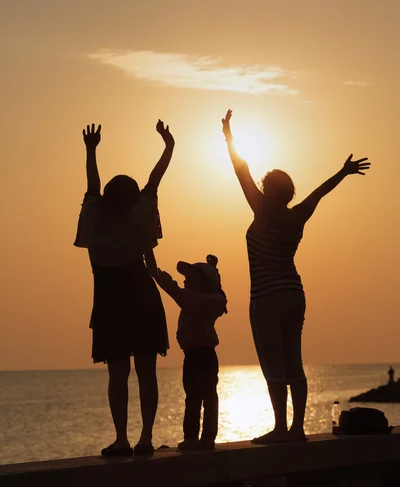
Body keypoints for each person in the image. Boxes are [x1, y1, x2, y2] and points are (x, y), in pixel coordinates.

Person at [222, 109, 370, 443]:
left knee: (273, 363)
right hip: (294, 294)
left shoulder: (260, 209)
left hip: (266, 297)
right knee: (294, 361)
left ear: (267, 189)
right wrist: (343, 172)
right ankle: (298, 428)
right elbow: (320, 191)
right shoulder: (297, 215)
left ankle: (279, 428)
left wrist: (228, 136)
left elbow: (240, 170)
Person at [74, 120, 175, 456]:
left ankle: (121, 439)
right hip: (142, 297)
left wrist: (91, 150)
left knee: (118, 375)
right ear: (133, 199)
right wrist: (168, 146)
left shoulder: (94, 219)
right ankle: (145, 437)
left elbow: (92, 185)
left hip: (109, 301)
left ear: (106, 198)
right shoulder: (138, 217)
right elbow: (154, 179)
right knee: (147, 372)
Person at [155, 255, 227, 450]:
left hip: (196, 356)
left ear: (202, 283)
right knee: (209, 396)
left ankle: (192, 438)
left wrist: (156, 273)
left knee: (194, 398)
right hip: (207, 356)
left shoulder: (194, 300)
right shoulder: (213, 300)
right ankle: (207, 438)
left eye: (191, 278)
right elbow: (217, 290)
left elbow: (172, 289)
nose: (185, 281)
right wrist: (214, 269)